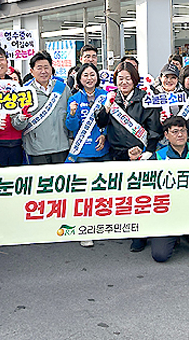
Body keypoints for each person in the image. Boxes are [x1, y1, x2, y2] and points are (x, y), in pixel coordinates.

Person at [128, 116, 189, 261]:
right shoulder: (159, 156)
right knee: (160, 255)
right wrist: (136, 161)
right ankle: (177, 236)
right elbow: (142, 178)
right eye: (175, 132)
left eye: (183, 130)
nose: (180, 135)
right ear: (166, 135)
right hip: (169, 214)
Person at [96, 62, 161, 253]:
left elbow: (154, 127)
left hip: (140, 154)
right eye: (120, 79)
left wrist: (148, 150)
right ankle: (128, 227)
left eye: (128, 78)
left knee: (141, 195)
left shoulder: (145, 99)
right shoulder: (111, 98)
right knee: (123, 194)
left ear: (135, 80)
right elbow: (100, 122)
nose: (124, 82)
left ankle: (140, 235)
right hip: (117, 153)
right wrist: (107, 106)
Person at [65, 63, 110, 248]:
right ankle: (85, 229)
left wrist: (105, 134)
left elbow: (112, 121)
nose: (89, 78)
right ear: (80, 79)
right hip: (83, 151)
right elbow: (71, 127)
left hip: (103, 150)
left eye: (92, 74)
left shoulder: (105, 96)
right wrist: (72, 113)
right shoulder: (74, 98)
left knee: (104, 189)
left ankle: (102, 225)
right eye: (85, 75)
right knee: (86, 192)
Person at [12, 52, 71, 164]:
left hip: (61, 147)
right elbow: (17, 124)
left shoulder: (63, 89)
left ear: (51, 69)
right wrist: (21, 118)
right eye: (39, 68)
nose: (43, 71)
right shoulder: (25, 91)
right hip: (36, 150)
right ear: (32, 71)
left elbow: (71, 116)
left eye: (46, 67)